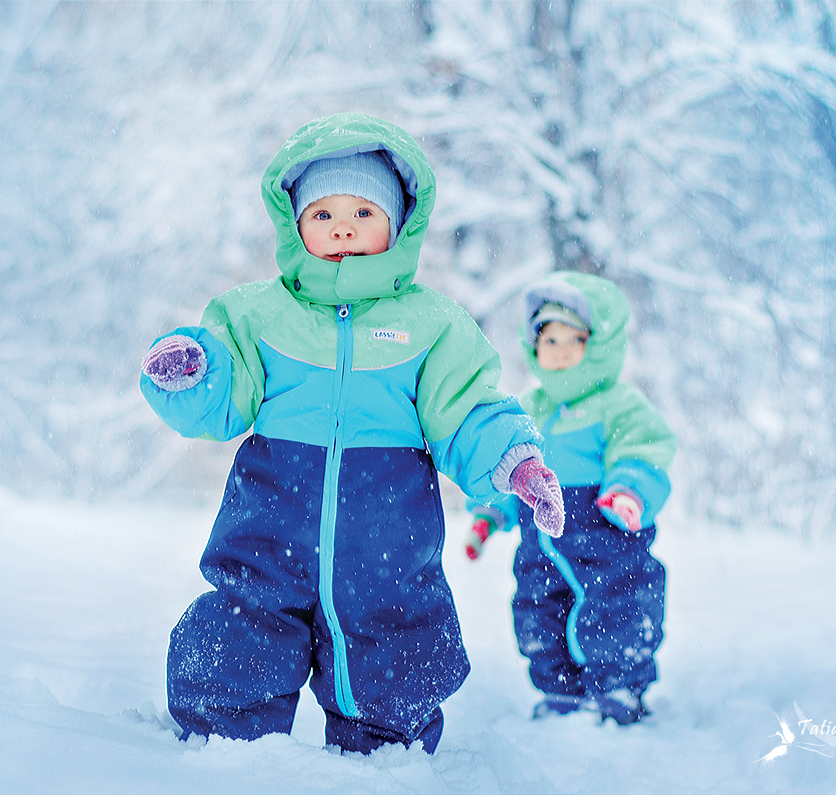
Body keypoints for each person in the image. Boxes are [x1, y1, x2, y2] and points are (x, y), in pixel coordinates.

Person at [139, 112, 565, 754]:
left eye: (363, 212)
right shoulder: (257, 314)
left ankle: (387, 756)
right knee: (242, 626)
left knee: (395, 642)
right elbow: (224, 397)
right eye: (323, 213)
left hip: (386, 539)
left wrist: (515, 461)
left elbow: (467, 408)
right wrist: (192, 373)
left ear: (398, 224)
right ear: (295, 224)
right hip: (269, 526)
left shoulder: (432, 324)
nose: (342, 226)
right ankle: (224, 747)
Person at [465, 271, 676, 726]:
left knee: (617, 605)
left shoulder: (617, 404)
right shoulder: (528, 409)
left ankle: (618, 684)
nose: (557, 351)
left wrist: (628, 491)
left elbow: (642, 448)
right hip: (540, 541)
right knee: (538, 610)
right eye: (548, 339)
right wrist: (489, 513)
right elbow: (511, 464)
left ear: (595, 345)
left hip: (604, 533)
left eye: (571, 339)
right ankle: (559, 689)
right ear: (533, 347)